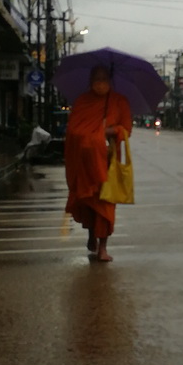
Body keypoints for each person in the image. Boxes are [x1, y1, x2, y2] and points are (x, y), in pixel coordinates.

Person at [64, 65, 132, 261]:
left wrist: (111, 131)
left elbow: (126, 129)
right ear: (90, 81)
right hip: (84, 163)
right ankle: (91, 235)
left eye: (103, 79)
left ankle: (103, 247)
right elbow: (73, 130)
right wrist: (92, 135)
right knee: (87, 203)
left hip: (107, 162)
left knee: (105, 204)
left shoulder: (119, 101)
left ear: (110, 81)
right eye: (96, 79)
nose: (100, 83)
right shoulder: (82, 101)